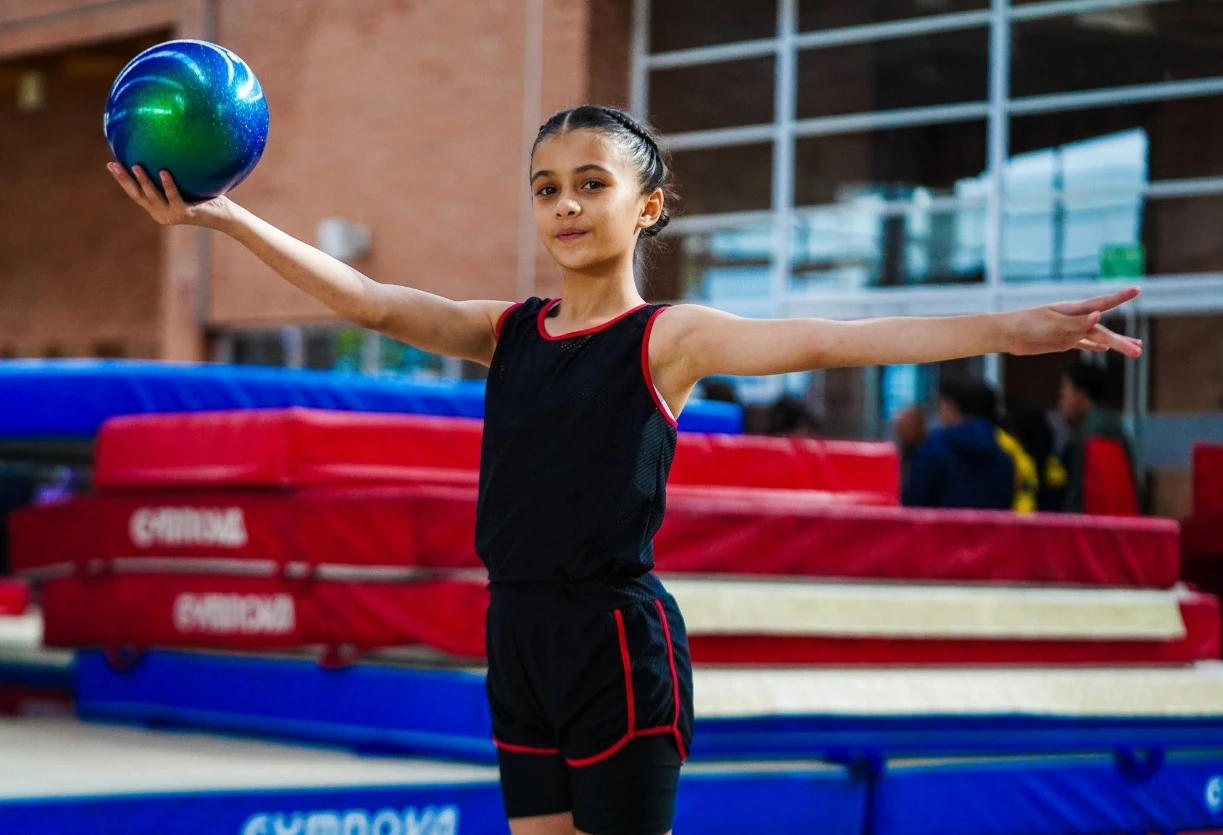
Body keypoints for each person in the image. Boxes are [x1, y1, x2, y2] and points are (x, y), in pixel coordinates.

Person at [108, 103, 1142, 835]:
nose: (565, 205)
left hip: (612, 638)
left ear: (646, 206)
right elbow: (372, 303)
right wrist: (224, 218)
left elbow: (832, 341)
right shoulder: (507, 330)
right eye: (547, 188)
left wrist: (1010, 328)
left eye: (591, 185)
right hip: (514, 633)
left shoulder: (668, 338)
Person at [901, 380, 1016, 510]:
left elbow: (913, 504)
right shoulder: (1004, 454)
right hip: (990, 530)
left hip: (941, 529)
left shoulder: (932, 451)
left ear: (949, 406)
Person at [1058, 358, 1138, 513]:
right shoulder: (1111, 424)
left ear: (1080, 394)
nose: (1061, 403)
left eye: (1064, 394)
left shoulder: (1091, 433)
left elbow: (1079, 494)